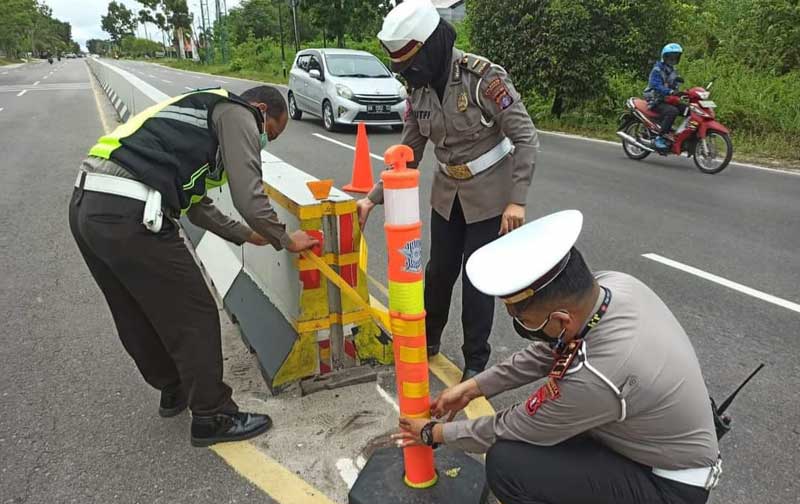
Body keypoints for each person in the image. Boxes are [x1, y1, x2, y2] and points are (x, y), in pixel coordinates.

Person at [394, 210, 721, 504]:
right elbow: (549, 351)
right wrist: (473, 388)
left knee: (507, 465)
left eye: (521, 318)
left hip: (671, 488)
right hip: (647, 444)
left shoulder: (596, 376)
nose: (520, 325)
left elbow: (513, 426)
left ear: (562, 319)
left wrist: (433, 434)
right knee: (554, 440)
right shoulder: (614, 287)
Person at [69, 85, 318, 447]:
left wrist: (246, 235)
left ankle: (174, 388)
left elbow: (196, 205)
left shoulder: (195, 118)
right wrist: (285, 238)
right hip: (129, 213)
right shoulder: (238, 113)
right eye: (271, 133)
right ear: (261, 110)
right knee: (195, 312)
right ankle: (212, 415)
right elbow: (248, 195)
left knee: (134, 310)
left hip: (87, 205)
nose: (264, 140)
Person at [356, 0, 539, 382]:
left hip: (490, 195)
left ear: (432, 46)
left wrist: (517, 200)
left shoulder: (482, 78)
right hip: (447, 194)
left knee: (477, 278)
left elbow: (526, 137)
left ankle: (475, 358)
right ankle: (429, 339)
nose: (410, 74)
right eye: (404, 69)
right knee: (439, 272)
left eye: (413, 64)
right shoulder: (419, 91)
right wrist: (372, 199)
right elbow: (406, 154)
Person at [645, 43, 687, 151]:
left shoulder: (673, 71)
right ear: (664, 57)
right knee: (672, 111)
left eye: (675, 57)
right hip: (655, 99)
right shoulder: (657, 69)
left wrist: (683, 93)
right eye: (670, 56)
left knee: (688, 109)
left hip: (667, 99)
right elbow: (656, 85)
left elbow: (675, 87)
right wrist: (670, 91)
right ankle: (660, 137)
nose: (672, 59)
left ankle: (681, 135)